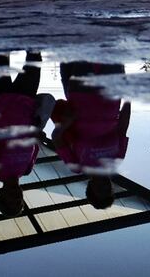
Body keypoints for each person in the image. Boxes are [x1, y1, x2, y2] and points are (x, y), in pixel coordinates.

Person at [0, 52, 51, 217]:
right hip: (26, 102)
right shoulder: (27, 169)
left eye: (10, 199)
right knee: (34, 59)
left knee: (0, 57)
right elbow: (34, 141)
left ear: (2, 195)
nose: (15, 196)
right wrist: (38, 135)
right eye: (18, 200)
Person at [51, 62, 131, 210]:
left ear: (90, 187)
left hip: (81, 94)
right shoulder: (116, 158)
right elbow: (123, 126)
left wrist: (65, 123)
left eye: (99, 190)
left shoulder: (77, 165)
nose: (104, 187)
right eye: (108, 190)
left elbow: (56, 138)